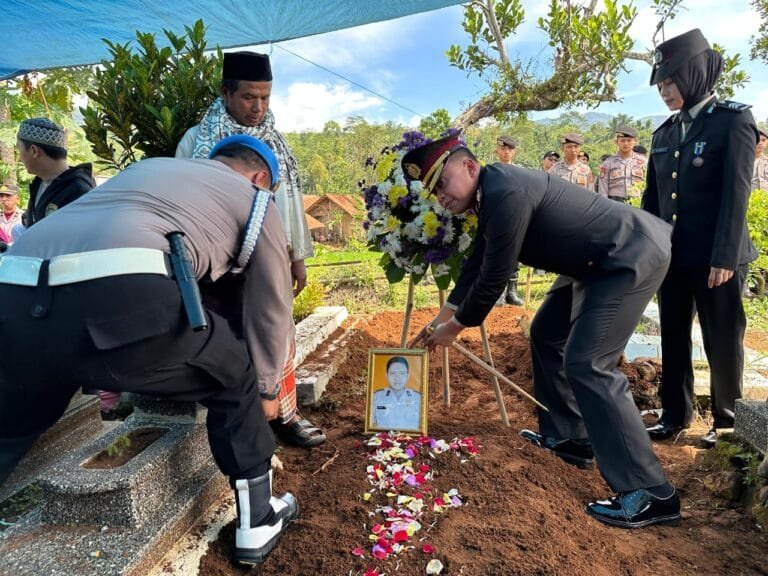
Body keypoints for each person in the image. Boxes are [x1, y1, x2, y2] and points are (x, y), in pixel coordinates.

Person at [0, 135, 299, 565]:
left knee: (12, 424)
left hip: (14, 290)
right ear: (261, 177)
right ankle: (259, 521)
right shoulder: (256, 198)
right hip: (117, 291)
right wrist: (268, 390)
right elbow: (271, 301)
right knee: (232, 370)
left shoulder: (150, 170)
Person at [406, 134, 680, 529]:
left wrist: (456, 327)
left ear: (468, 167)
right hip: (591, 262)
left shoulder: (505, 191)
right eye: (432, 191)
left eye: (442, 184)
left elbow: (494, 278)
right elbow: (476, 264)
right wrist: (442, 317)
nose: (439, 198)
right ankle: (571, 438)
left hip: (625, 255)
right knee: (546, 333)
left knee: (589, 363)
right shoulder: (492, 193)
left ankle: (652, 492)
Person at [176, 51, 324, 448]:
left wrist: (295, 257)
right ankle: (243, 424)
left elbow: (290, 202)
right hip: (219, 265)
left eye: (265, 97)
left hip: (269, 256)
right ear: (226, 93)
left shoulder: (276, 140)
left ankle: (286, 414)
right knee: (230, 339)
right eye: (248, 97)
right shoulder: (197, 141)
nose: (258, 107)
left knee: (278, 331)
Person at [642, 29, 758, 448]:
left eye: (670, 82)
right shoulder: (664, 134)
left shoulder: (734, 120)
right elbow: (651, 206)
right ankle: (675, 414)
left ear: (693, 76)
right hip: (674, 258)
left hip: (718, 257)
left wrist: (725, 257)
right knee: (672, 334)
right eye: (660, 85)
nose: (665, 92)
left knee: (723, 336)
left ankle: (729, 422)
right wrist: (648, 256)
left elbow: (737, 195)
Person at [16, 117, 95, 227]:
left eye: (19, 149)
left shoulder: (79, 192)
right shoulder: (39, 183)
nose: (19, 157)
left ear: (34, 151)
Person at [494, 136, 523, 306]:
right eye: (503, 148)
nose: (506, 152)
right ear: (497, 150)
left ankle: (511, 291)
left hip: (516, 217)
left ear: (514, 151)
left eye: (510, 149)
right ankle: (498, 292)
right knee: (497, 255)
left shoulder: (521, 172)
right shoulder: (491, 170)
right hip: (497, 217)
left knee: (515, 255)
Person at [598, 126, 647, 202]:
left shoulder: (643, 162)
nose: (626, 143)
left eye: (629, 140)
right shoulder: (608, 163)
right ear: (616, 142)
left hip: (637, 201)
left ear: (635, 141)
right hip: (614, 202)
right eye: (622, 140)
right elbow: (603, 189)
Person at [371, 356, 422, 431]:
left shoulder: (418, 398)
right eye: (392, 373)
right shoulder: (376, 397)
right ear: (387, 375)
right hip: (384, 440)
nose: (397, 378)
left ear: (408, 376)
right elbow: (370, 425)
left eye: (402, 373)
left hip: (412, 440)